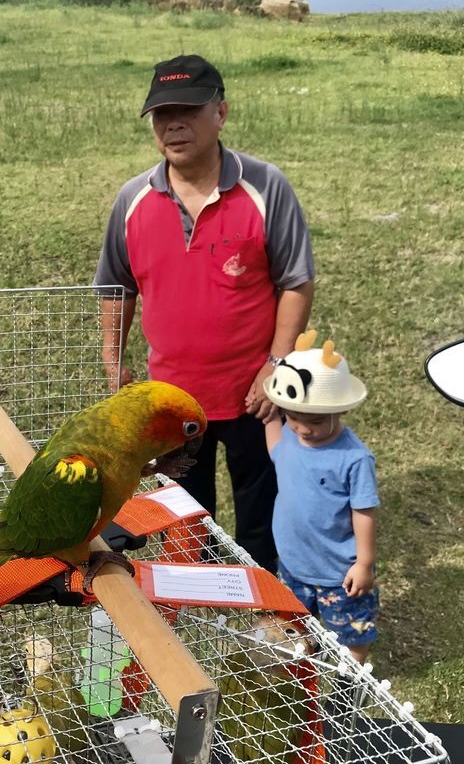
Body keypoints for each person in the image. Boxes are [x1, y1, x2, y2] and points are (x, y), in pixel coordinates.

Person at [92, 54, 315, 571]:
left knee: (263, 512)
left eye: (188, 111)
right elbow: (116, 289)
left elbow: (296, 281)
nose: (173, 125)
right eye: (161, 114)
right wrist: (113, 361)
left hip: (253, 396)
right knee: (184, 519)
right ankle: (200, 602)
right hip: (171, 402)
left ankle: (263, 602)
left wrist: (276, 366)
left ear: (221, 113)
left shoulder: (265, 188)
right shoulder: (133, 199)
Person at [263, 331, 378, 663]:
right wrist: (272, 418)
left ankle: (348, 682)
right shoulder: (289, 434)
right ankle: (301, 669)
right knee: (294, 624)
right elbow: (277, 453)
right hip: (293, 561)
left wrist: (364, 563)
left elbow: (364, 511)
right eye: (293, 416)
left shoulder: (354, 458)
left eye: (313, 420)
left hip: (338, 573)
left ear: (339, 411)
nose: (301, 428)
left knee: (351, 631)